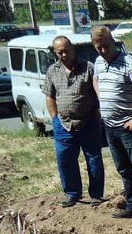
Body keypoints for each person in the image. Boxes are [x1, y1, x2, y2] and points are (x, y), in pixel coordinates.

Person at [91, 26, 132, 226]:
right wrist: (102, 97)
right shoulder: (99, 62)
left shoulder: (127, 61)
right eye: (98, 47)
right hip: (110, 126)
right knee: (123, 168)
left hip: (128, 126)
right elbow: (96, 79)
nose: (102, 50)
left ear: (113, 42)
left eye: (105, 46)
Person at [43, 35, 104, 208]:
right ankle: (72, 193)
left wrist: (98, 113)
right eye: (59, 52)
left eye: (66, 51)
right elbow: (50, 95)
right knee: (65, 160)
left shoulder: (88, 68)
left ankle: (96, 195)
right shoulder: (52, 70)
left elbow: (98, 92)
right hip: (63, 124)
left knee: (93, 159)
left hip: (88, 122)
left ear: (73, 49)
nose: (63, 55)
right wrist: (55, 117)